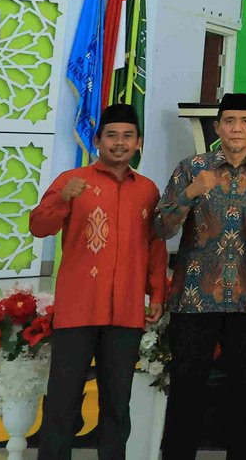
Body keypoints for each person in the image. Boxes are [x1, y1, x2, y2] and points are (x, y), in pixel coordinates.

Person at [29, 104, 166, 460]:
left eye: (127, 136)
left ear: (138, 142)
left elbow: (154, 246)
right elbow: (38, 226)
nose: (119, 143)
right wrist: (63, 199)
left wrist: (157, 293)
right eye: (112, 136)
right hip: (78, 310)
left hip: (126, 313)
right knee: (62, 402)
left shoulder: (147, 190)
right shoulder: (71, 181)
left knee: (117, 405)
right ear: (97, 140)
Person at [155, 91, 246, 460]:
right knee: (186, 390)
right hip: (195, 299)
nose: (236, 128)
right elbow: (161, 227)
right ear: (217, 127)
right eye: (229, 121)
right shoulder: (192, 168)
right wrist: (190, 194)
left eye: (245, 121)